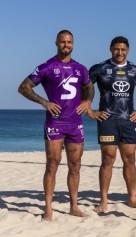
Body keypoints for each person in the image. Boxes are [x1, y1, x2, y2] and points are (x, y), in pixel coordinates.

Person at [18, 30, 94, 221]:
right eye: (62, 42)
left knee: (75, 165)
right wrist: (44, 103)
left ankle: (74, 206)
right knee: (52, 164)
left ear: (73, 44)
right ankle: (48, 208)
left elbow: (89, 87)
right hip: (55, 122)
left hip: (75, 123)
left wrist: (87, 102)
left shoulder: (80, 68)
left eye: (69, 42)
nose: (66, 45)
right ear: (56, 43)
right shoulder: (47, 67)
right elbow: (24, 87)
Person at [88, 36, 136, 212]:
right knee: (108, 158)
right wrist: (90, 111)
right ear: (110, 49)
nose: (119, 52)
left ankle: (132, 198)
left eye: (123, 49)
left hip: (128, 120)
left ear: (128, 50)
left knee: (129, 159)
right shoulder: (99, 69)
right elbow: (84, 88)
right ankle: (104, 200)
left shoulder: (135, 70)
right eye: (116, 49)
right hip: (107, 120)